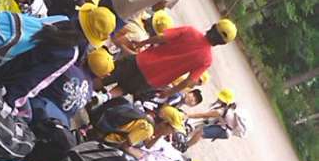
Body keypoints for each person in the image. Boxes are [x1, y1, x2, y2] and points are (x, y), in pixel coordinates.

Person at [97, 19, 237, 101]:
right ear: (222, 43)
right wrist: (169, 92)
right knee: (123, 88)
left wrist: (142, 43)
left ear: (213, 27)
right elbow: (189, 81)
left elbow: (162, 38)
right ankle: (103, 98)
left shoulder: (190, 31)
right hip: (152, 80)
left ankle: (90, 88)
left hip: (142, 60)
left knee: (108, 75)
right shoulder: (207, 60)